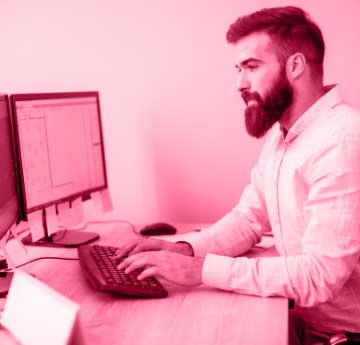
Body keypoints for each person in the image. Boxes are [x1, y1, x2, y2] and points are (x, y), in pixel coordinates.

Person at [116, 6, 360, 345]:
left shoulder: (342, 140)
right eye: (238, 69)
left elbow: (320, 275)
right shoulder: (284, 135)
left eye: (251, 67)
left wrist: (199, 271)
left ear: (295, 66)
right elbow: (249, 219)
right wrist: (185, 249)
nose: (239, 83)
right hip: (310, 326)